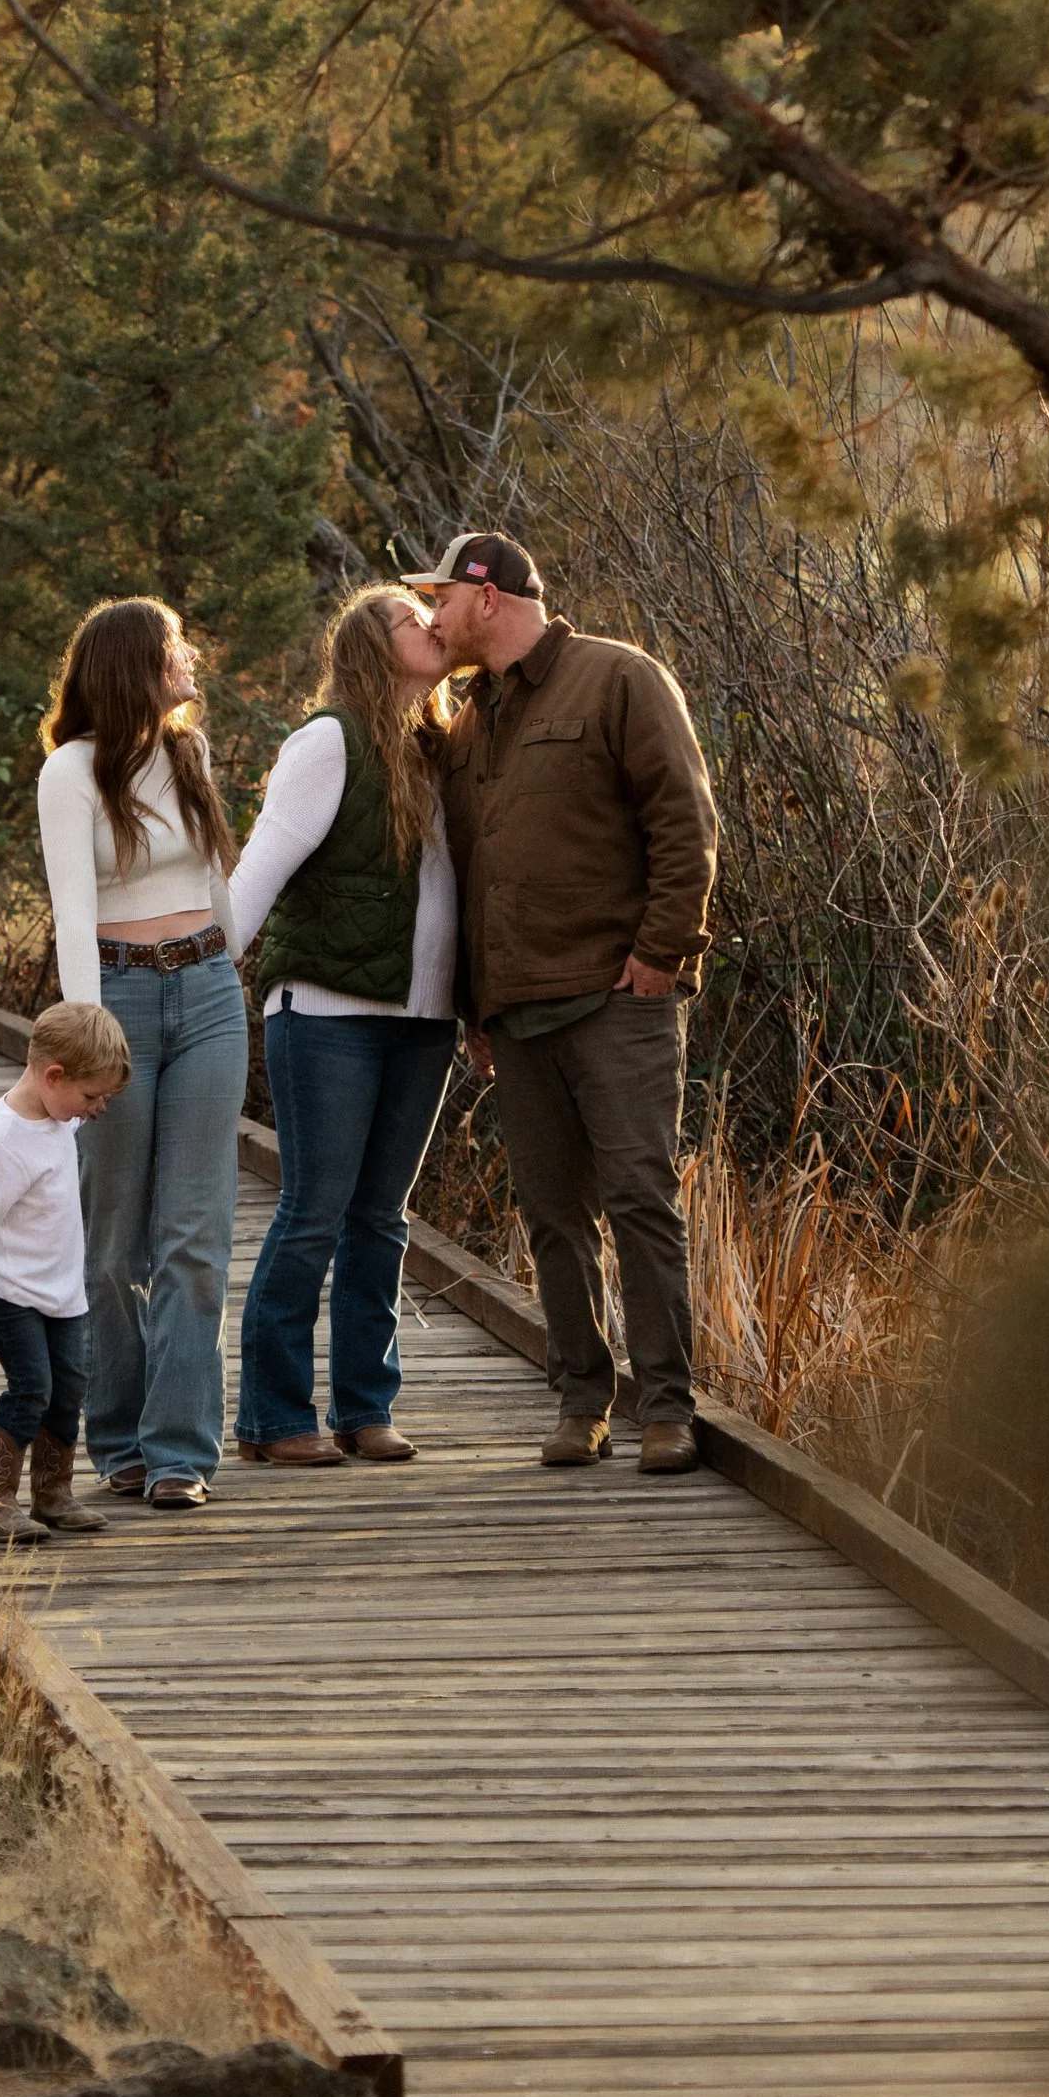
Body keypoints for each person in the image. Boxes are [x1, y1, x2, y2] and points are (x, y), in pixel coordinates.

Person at [413, 530, 719, 1476]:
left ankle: (667, 1407)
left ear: (489, 598)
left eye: (442, 599)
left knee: (639, 1201)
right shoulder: (468, 719)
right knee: (552, 1216)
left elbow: (686, 819)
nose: (432, 616)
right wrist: (476, 1008)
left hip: (615, 997)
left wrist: (662, 954)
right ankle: (582, 1402)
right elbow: (466, 867)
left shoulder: (619, 679)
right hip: (515, 1012)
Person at [226, 587, 461, 1465]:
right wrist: (209, 987)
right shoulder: (330, 742)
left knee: (381, 1218)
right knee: (314, 1212)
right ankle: (276, 1419)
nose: (431, 627)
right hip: (326, 1012)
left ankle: (366, 1409)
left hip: (423, 1018)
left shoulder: (440, 750)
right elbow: (256, 874)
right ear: (370, 643)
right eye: (411, 619)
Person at [38, 596, 246, 1514]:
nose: (189, 658)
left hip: (207, 994)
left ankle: (179, 1453)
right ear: (133, 667)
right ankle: (117, 1439)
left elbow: (220, 884)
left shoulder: (190, 754)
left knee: (195, 1241)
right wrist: (88, 1039)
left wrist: (246, 978)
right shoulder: (71, 773)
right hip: (115, 996)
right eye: (173, 649)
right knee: (114, 1238)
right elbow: (73, 913)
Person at [0, 997, 131, 1547]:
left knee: (69, 1388)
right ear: (53, 1076)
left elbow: (68, 1119)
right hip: (6, 1292)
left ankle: (53, 1492)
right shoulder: (6, 1142)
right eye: (92, 1096)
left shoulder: (56, 1116)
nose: (97, 1108)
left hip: (61, 1291)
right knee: (32, 1388)